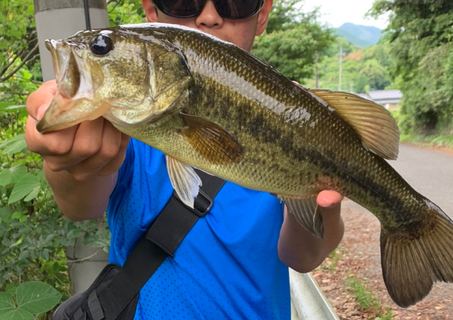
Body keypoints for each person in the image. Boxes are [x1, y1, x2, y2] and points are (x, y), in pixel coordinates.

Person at [25, 0, 345, 318]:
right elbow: (80, 206)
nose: (208, 16)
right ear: (151, 12)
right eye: (183, 2)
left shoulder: (294, 123)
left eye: (235, 3)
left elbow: (303, 258)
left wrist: (323, 206)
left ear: (261, 14)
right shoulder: (127, 127)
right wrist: (66, 157)